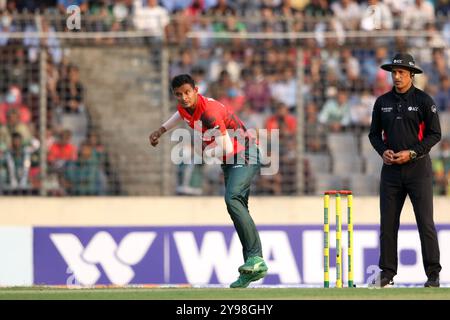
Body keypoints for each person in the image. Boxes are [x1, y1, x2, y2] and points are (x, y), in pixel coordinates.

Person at [149, 74, 268, 288]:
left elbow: (227, 148)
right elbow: (180, 115)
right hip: (230, 160)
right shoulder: (186, 107)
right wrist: (161, 130)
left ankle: (256, 259)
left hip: (245, 154)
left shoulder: (209, 113)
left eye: (187, 92)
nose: (184, 98)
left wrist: (203, 151)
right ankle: (252, 265)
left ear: (196, 89)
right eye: (179, 94)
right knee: (237, 207)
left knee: (232, 199)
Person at [368, 53, 442, 288]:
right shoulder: (382, 102)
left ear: (411, 74)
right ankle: (387, 274)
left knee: (425, 223)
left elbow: (435, 134)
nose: (397, 76)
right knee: (388, 224)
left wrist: (412, 153)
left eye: (401, 72)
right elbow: (373, 134)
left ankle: (433, 275)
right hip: (390, 172)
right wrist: (383, 151)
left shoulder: (423, 100)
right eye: (394, 72)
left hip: (418, 170)